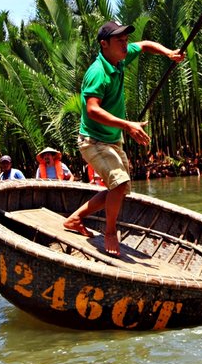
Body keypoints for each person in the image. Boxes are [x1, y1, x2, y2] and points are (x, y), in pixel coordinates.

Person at [63, 20, 185, 256]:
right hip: (93, 141)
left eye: (126, 39)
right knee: (118, 184)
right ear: (104, 44)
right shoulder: (98, 72)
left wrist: (169, 53)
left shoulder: (119, 58)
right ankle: (110, 233)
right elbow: (92, 110)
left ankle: (75, 219)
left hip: (111, 140)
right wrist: (127, 125)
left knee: (120, 188)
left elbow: (146, 45)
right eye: (119, 40)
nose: (125, 44)